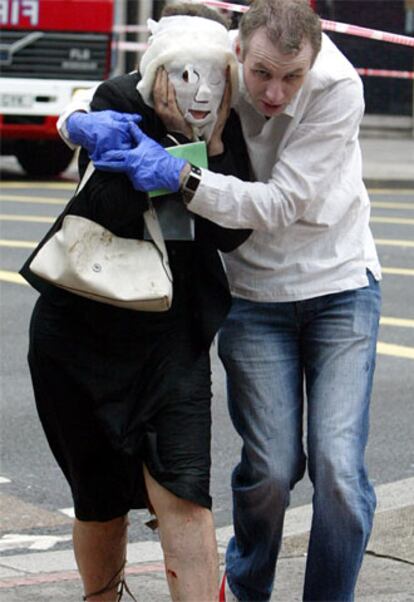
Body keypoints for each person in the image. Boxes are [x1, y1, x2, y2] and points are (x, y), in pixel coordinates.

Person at [81, 1, 383, 600]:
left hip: (339, 283)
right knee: (269, 471)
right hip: (252, 293)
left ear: (314, 62)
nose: (274, 93)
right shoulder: (213, 66)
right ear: (237, 50)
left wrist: (180, 176)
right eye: (262, 73)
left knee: (339, 472)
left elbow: (275, 205)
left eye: (292, 77)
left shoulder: (338, 87)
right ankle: (245, 589)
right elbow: (145, 81)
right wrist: (78, 120)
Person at [20, 4, 251, 601]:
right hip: (83, 327)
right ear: (159, 63)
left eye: (212, 74)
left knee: (185, 492)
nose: (198, 90)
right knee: (98, 501)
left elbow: (234, 232)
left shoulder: (224, 115)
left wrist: (207, 153)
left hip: (173, 335)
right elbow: (107, 210)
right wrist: (154, 146)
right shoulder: (118, 99)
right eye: (183, 71)